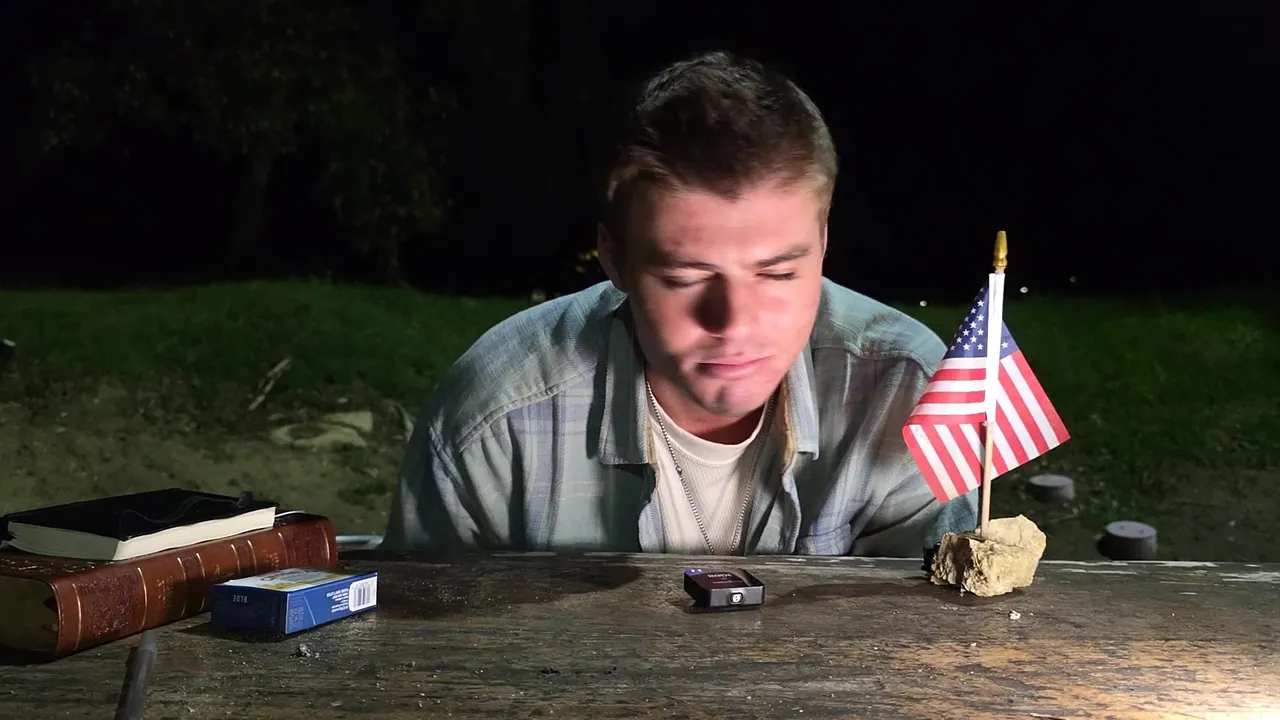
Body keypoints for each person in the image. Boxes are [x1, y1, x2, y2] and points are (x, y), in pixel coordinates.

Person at [382, 50, 978, 557]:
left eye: (778, 273)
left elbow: (936, 635)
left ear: (823, 242)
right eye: (686, 278)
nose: (735, 322)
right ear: (614, 259)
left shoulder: (906, 390)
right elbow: (426, 644)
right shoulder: (494, 418)